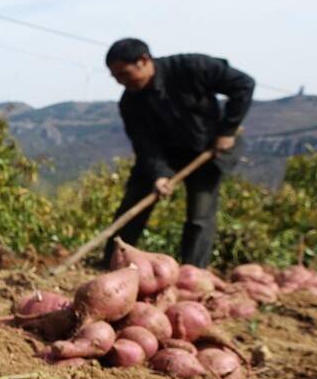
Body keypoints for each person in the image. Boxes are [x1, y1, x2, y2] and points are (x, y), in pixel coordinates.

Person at [104, 38, 255, 268]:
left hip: (206, 150)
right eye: (116, 78)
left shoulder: (191, 67)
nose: (121, 82)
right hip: (164, 155)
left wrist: (228, 130)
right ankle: (112, 261)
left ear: (143, 61)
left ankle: (192, 271)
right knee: (134, 200)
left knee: (200, 216)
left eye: (124, 74)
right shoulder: (130, 103)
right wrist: (159, 174)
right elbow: (144, 145)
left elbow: (243, 85)